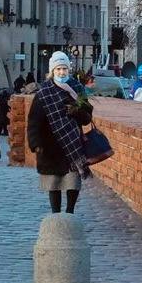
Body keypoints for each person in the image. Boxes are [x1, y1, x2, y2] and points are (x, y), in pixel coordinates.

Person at [26, 51, 94, 212]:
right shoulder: (44, 93)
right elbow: (34, 120)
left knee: (73, 181)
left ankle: (70, 212)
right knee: (54, 183)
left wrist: (77, 112)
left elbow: (87, 118)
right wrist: (35, 143)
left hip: (72, 143)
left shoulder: (77, 88)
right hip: (50, 144)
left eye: (64, 68)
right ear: (52, 71)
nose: (62, 72)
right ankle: (55, 214)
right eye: (58, 69)